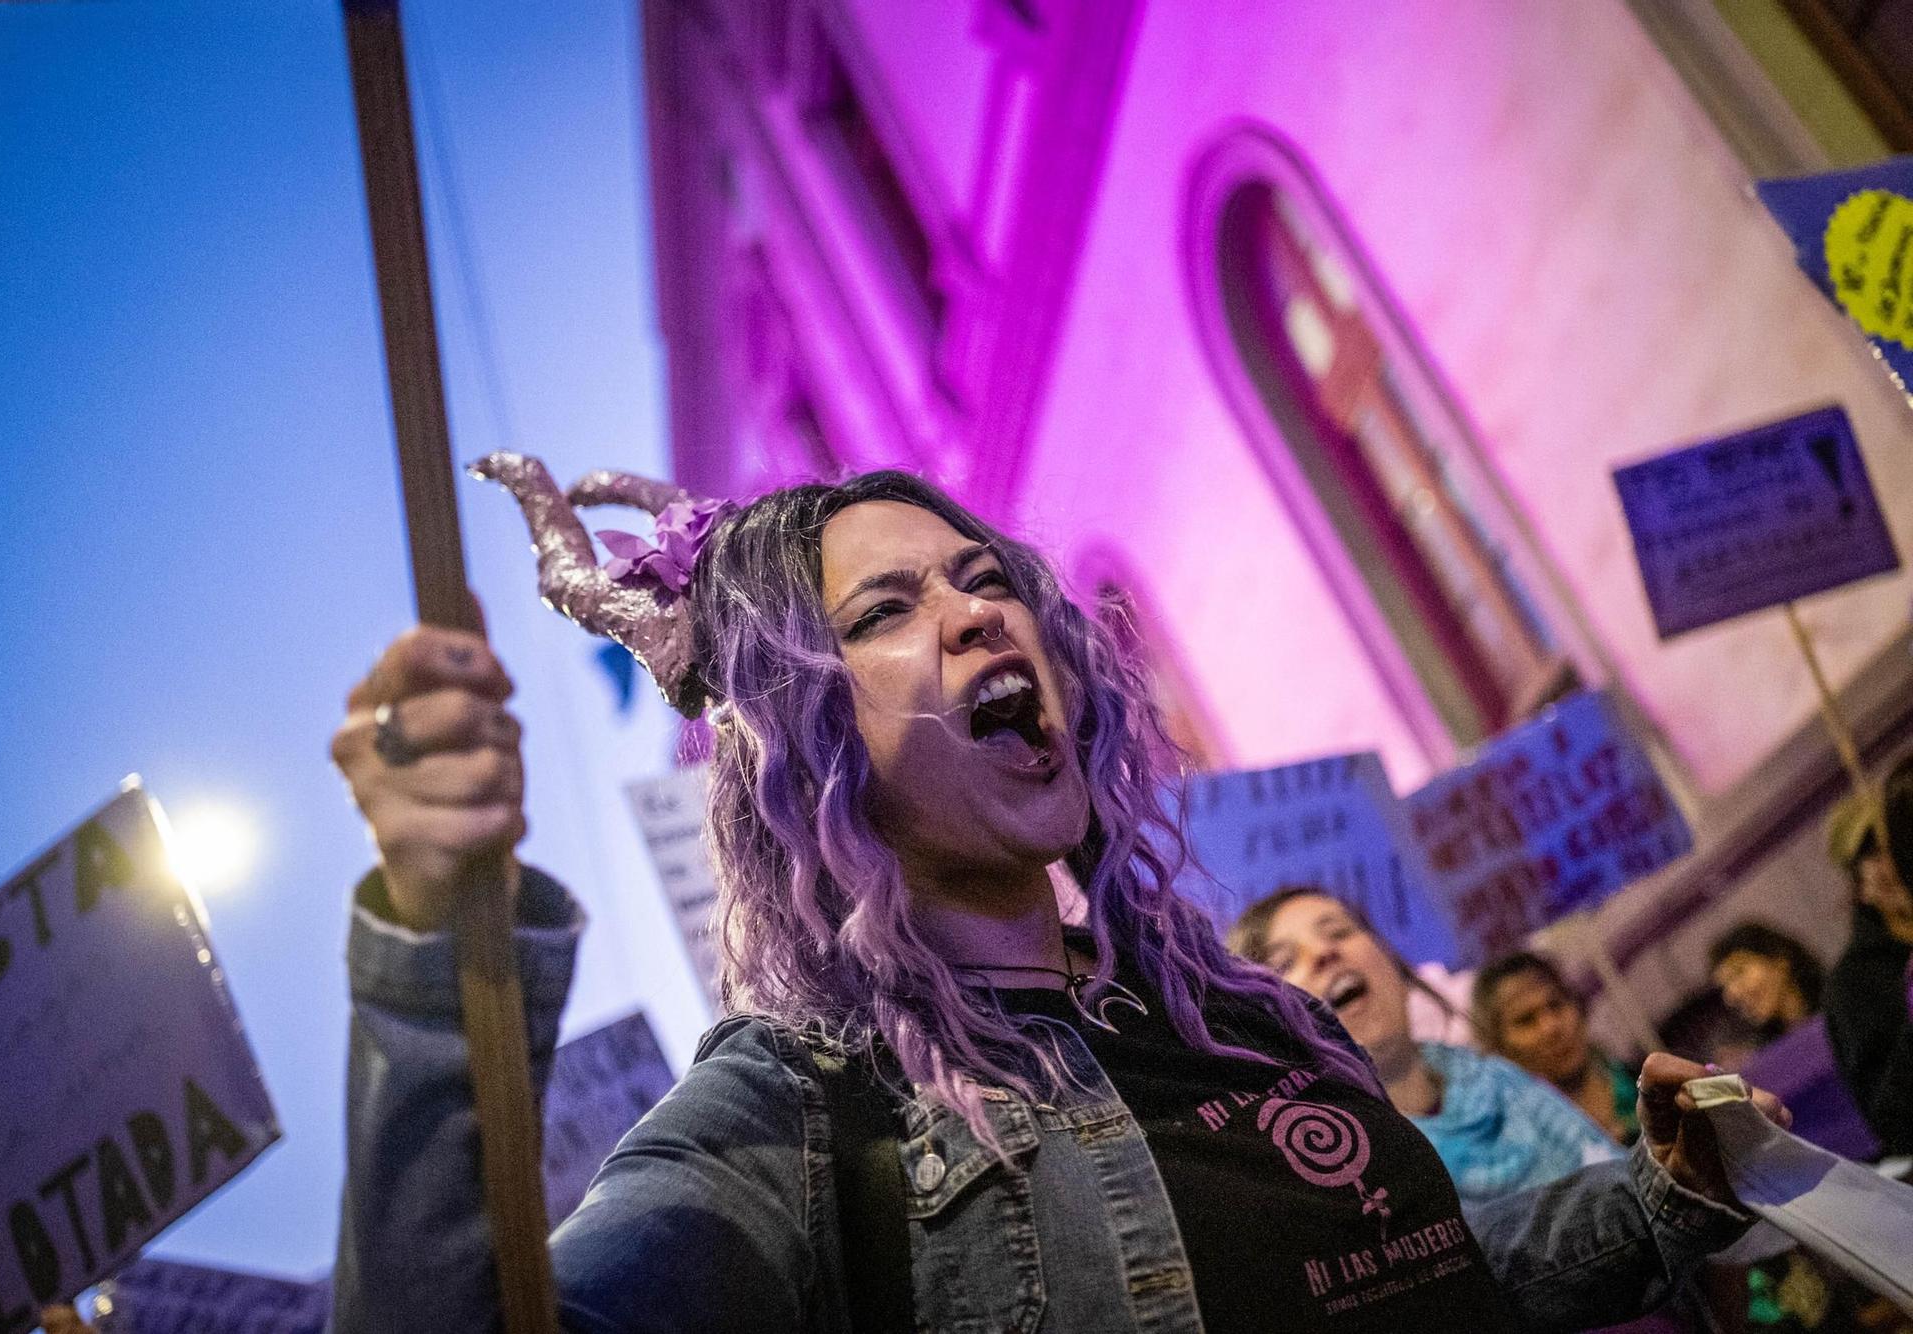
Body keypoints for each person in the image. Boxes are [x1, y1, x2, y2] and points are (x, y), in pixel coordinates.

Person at [331, 459, 1781, 1332]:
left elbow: (1410, 1275)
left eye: (979, 577)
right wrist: (434, 947)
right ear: (802, 736)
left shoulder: (1240, 1014)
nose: (975, 609)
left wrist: (1664, 1197)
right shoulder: (797, 1116)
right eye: (883, 613)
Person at [1229, 889, 1622, 1203]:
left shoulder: (1504, 1083)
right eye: (1283, 964)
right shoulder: (1328, 1183)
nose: (1324, 953)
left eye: (1338, 932)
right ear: (1271, 1027)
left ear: (1397, 970)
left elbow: (1629, 1197)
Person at [1825, 775, 1913, 1157]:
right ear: (1860, 884)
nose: (1892, 860)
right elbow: (1891, 1119)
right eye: (1876, 852)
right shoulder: (1853, 986)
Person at [1473, 951, 1641, 1144]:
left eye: (1556, 1005)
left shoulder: (1646, 1085)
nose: (1551, 1027)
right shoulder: (1528, 1152)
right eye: (1525, 1020)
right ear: (1498, 1048)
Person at [1707, 923, 1822, 1046]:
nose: (1731, 994)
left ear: (1780, 962)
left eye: (1739, 972)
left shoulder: (1839, 1009)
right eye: (1725, 986)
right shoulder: (1770, 1054)